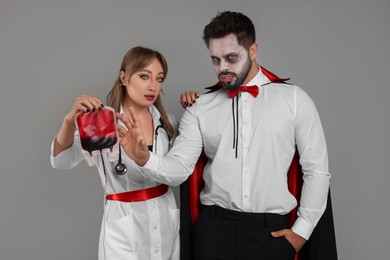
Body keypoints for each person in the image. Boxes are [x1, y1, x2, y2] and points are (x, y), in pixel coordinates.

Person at [118, 11, 333, 260]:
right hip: (213, 232)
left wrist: (302, 233)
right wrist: (146, 159)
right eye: (215, 60)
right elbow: (180, 168)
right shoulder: (200, 107)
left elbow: (317, 171)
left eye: (232, 58)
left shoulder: (295, 100)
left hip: (271, 233)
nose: (223, 69)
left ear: (253, 50)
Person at [50, 46, 197, 260]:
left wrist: (194, 104)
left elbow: (180, 167)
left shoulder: (167, 123)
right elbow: (60, 161)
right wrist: (69, 121)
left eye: (159, 79)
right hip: (123, 227)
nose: (152, 86)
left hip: (165, 220)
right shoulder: (102, 123)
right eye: (144, 76)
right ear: (124, 77)